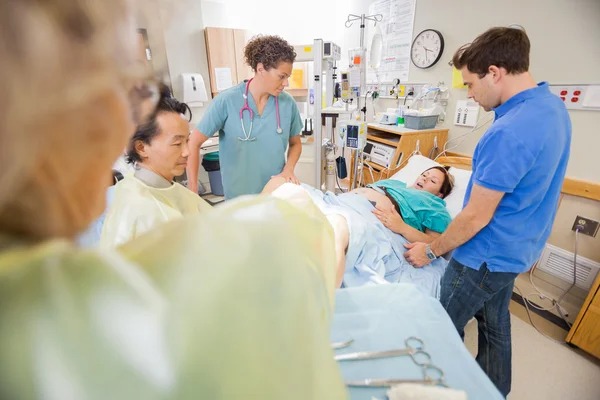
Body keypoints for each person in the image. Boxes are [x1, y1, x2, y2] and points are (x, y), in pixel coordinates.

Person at [0, 1, 346, 398]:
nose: (125, 117)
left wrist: (281, 179)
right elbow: (279, 275)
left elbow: (288, 149)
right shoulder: (150, 219)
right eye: (128, 85)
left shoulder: (283, 108)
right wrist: (307, 217)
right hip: (250, 197)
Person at [403, 27, 571, 397]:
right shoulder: (552, 108)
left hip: (481, 257)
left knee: (438, 331)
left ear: (495, 72)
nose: (469, 94)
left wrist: (430, 250)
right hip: (515, 252)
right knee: (496, 326)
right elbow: (550, 189)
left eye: (470, 84)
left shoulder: (508, 131)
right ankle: (494, 392)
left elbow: (476, 217)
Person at [262, 166, 454, 289]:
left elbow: (437, 244)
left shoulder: (435, 206)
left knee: (337, 226)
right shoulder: (397, 184)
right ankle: (253, 242)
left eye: (432, 181)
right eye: (424, 173)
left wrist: (402, 227)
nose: (424, 178)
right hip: (338, 201)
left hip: (367, 217)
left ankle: (321, 309)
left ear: (439, 194)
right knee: (278, 183)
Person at [187, 35, 303, 199]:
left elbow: (295, 144)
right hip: (238, 197)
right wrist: (192, 188)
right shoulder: (226, 101)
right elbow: (194, 142)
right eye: (281, 76)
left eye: (288, 77)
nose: (286, 83)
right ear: (261, 69)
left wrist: (289, 169)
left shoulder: (287, 103)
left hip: (275, 195)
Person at [101, 90, 212, 247]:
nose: (187, 152)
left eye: (187, 141)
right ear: (141, 148)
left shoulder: (169, 190)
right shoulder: (141, 210)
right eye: (177, 144)